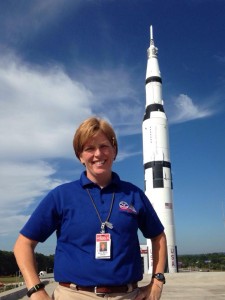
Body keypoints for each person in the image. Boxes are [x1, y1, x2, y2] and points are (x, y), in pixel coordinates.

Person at [14, 116, 167, 300]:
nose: (98, 154)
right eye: (89, 148)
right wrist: (36, 290)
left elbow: (158, 237)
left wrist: (157, 281)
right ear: (80, 156)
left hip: (127, 295)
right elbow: (23, 244)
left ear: (114, 150)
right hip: (74, 295)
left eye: (104, 146)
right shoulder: (61, 196)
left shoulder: (133, 194)